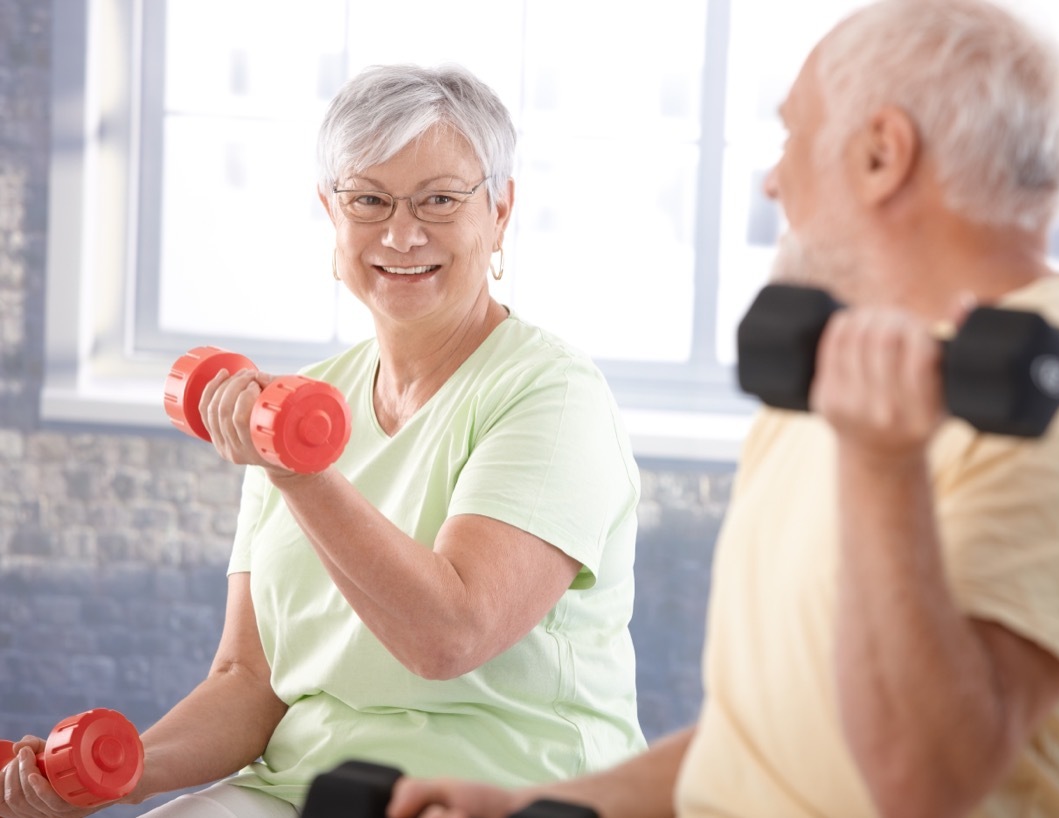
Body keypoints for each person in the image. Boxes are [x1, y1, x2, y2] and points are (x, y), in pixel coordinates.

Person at [382, 1, 1059, 816]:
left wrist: (882, 466)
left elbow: (924, 786)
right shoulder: (829, 385)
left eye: (792, 137)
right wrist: (538, 808)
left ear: (883, 155)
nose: (774, 181)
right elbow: (756, 754)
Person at [0, 63, 646, 818]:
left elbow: (449, 638)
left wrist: (301, 475)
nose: (401, 233)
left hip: (500, 792)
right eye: (368, 199)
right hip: (304, 790)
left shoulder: (551, 395)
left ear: (499, 211)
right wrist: (120, 777)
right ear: (330, 212)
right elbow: (247, 682)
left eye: (440, 199)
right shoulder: (301, 404)